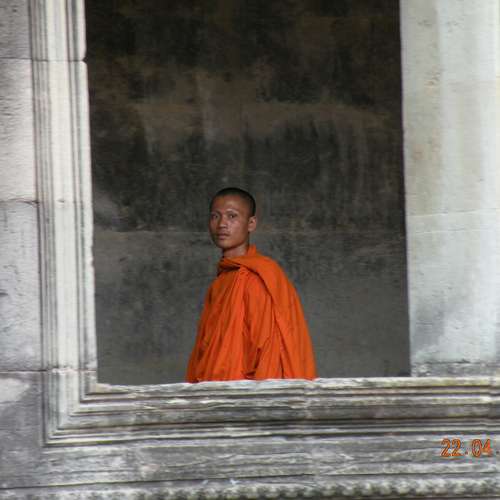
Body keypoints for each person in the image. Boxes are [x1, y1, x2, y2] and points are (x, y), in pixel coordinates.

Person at [186, 187, 317, 382]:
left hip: (246, 393)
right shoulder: (221, 281)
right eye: (215, 216)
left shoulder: (258, 277)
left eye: (232, 216)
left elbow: (268, 352)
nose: (222, 224)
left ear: (251, 223)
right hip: (212, 391)